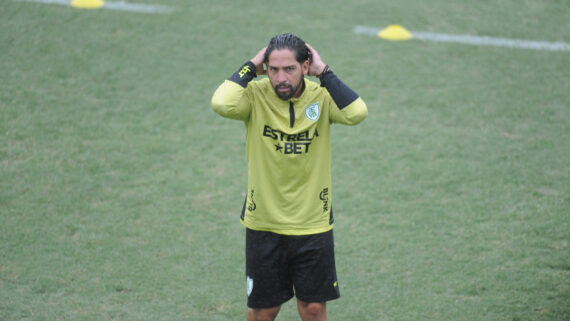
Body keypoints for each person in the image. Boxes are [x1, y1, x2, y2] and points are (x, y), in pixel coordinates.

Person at [211, 33, 368, 321]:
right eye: (273, 69)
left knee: (312, 309)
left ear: (306, 67)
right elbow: (222, 103)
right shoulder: (255, 97)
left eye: (289, 69)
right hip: (264, 224)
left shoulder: (322, 97)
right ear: (264, 68)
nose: (280, 78)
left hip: (312, 223)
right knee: (265, 310)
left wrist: (326, 73)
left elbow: (357, 112)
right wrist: (251, 65)